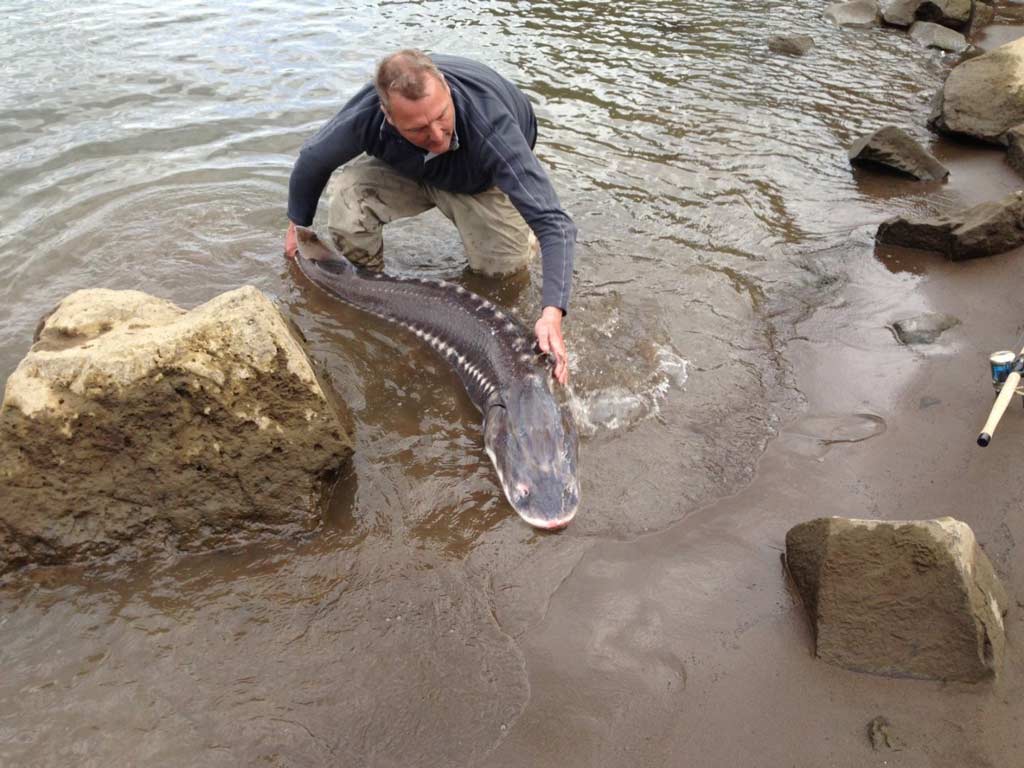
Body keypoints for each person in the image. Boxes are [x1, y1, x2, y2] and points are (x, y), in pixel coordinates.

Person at [284, 49, 576, 385]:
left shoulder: (489, 124)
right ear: (388, 116)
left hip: (478, 177)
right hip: (408, 168)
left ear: (448, 92)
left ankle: (513, 234)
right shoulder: (366, 116)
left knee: (502, 274)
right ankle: (375, 291)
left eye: (441, 117)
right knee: (348, 200)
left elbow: (554, 223)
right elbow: (312, 160)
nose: (437, 136)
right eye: (420, 128)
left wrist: (552, 313)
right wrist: (297, 223)